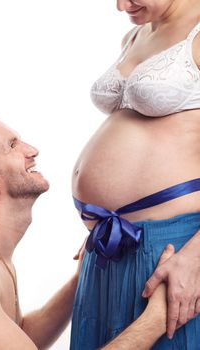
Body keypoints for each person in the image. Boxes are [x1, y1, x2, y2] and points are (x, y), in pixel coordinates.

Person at [0, 112, 169, 350]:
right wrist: (157, 319)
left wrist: (78, 282)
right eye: (12, 145)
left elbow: (21, 337)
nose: (32, 150)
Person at [70, 0, 200, 349]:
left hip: (175, 251)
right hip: (111, 246)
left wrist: (197, 257)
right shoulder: (135, 34)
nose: (120, 5)